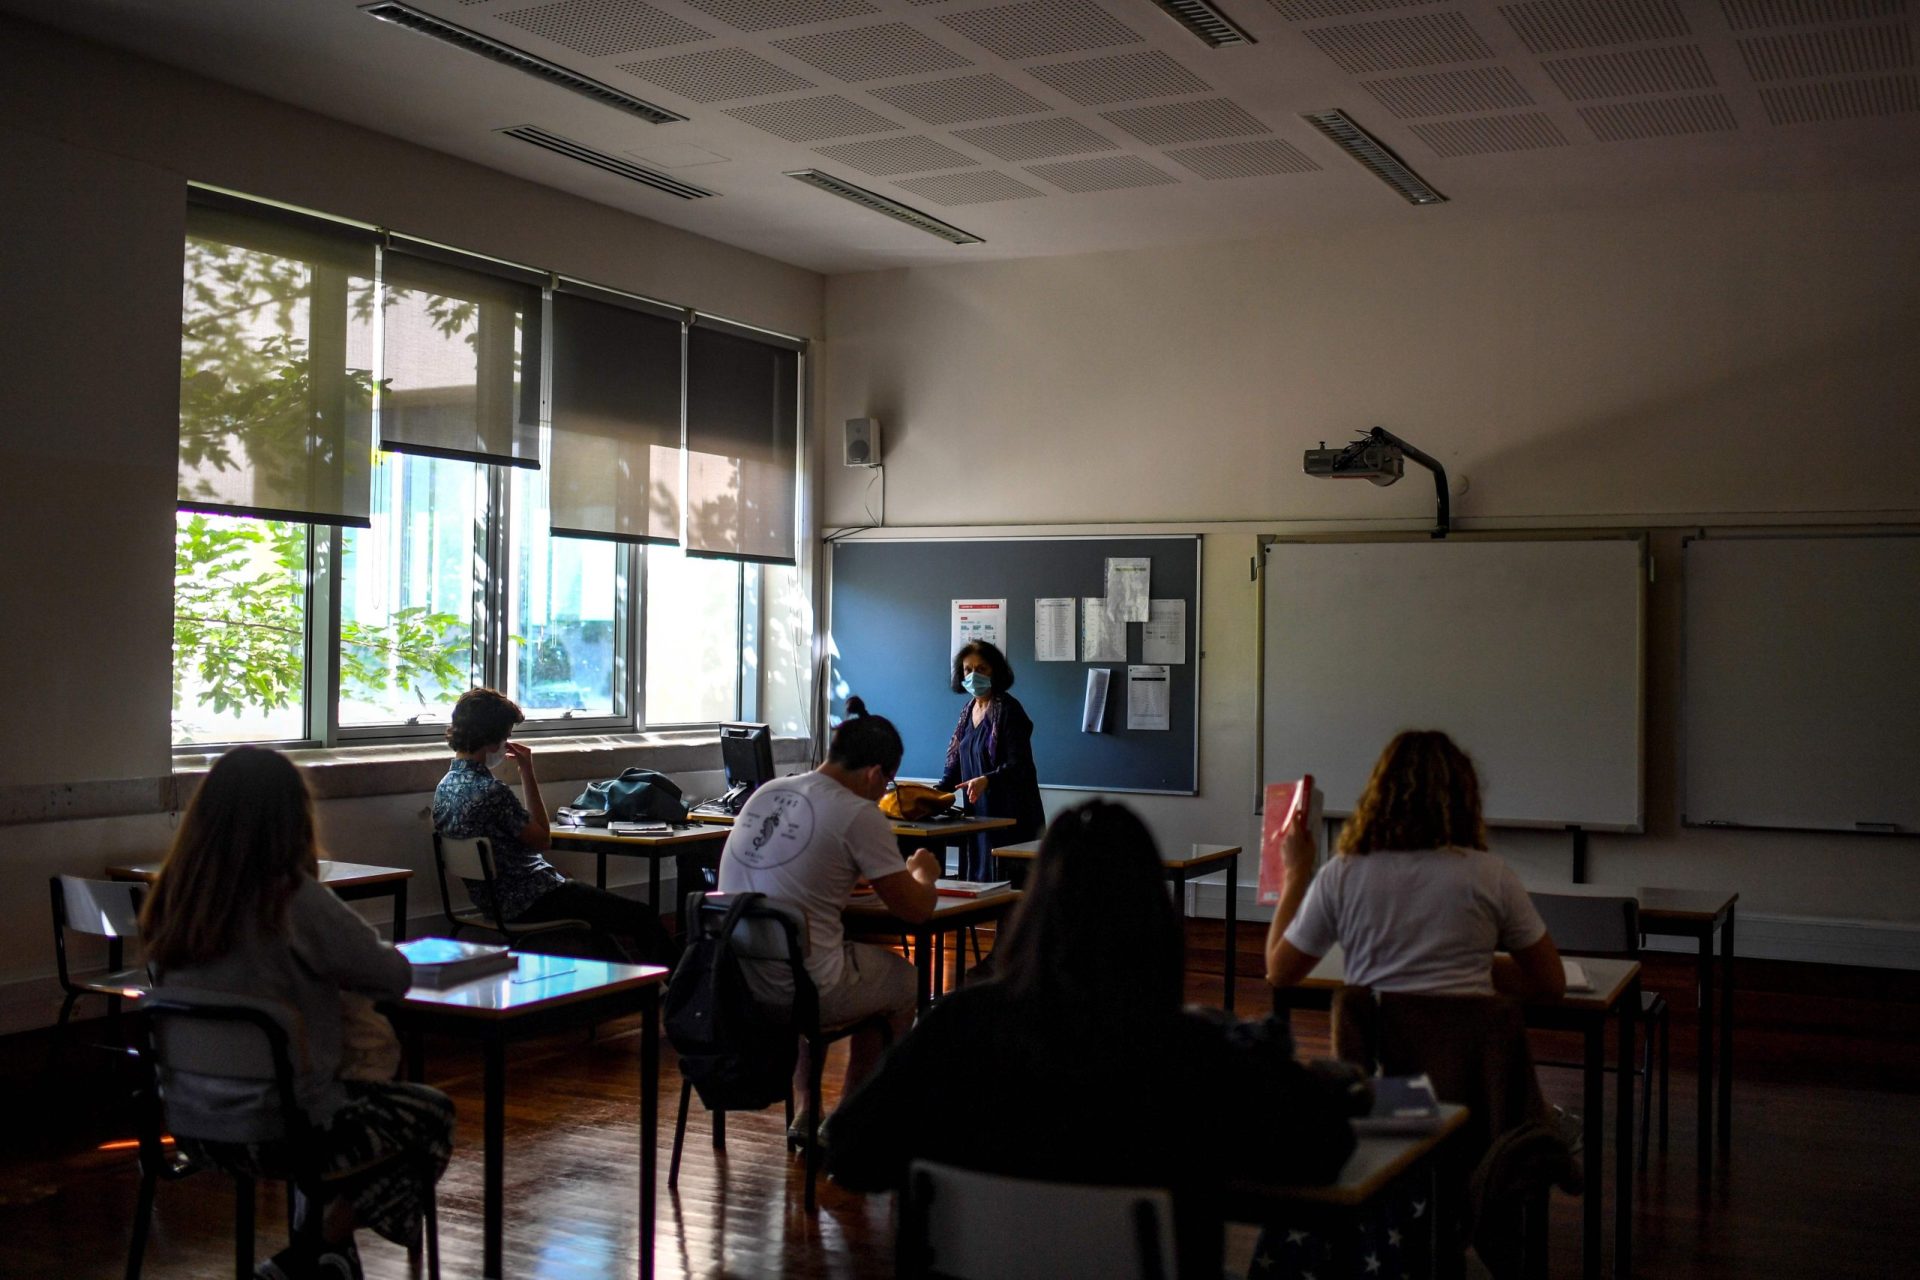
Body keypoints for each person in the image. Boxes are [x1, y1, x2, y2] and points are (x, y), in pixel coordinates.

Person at [829, 799, 1356, 1278]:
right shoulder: (1190, 1052)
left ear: (1032, 916)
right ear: (1156, 922)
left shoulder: (955, 1027)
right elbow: (1324, 1148)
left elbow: (852, 1152)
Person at [141, 747, 453, 1280]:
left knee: (340, 1103)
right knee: (429, 1116)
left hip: (192, 1127)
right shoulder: (292, 898)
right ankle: (312, 1249)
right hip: (285, 1130)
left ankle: (327, 1257)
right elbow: (391, 975)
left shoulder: (173, 899)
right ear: (292, 818)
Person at [717, 696, 940, 1136]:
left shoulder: (767, 792)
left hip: (735, 983)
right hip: (802, 989)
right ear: (876, 774)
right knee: (904, 981)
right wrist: (923, 873)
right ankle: (851, 1117)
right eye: (887, 786)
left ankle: (807, 1109)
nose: (883, 796)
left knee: (814, 955)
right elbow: (914, 910)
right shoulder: (859, 812)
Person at [1264, 729, 1564, 999]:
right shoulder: (1492, 876)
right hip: (1464, 1058)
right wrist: (1469, 963)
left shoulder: (1341, 875)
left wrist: (1295, 872)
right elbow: (1550, 983)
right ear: (1464, 798)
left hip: (1374, 1058)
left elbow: (1280, 973)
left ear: (1378, 794)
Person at [432, 687, 678, 965]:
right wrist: (528, 771)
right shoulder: (491, 791)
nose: (507, 742)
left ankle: (627, 988)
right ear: (492, 738)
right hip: (529, 901)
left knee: (595, 924)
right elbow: (542, 839)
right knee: (641, 916)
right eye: (507, 735)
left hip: (490, 902)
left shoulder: (444, 787)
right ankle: (678, 994)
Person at [936, 640, 1046, 881]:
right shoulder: (967, 711)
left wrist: (988, 780)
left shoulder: (1009, 710)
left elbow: (1020, 765)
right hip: (978, 816)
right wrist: (933, 795)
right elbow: (955, 764)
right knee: (977, 884)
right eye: (968, 669)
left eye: (982, 668)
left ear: (995, 671)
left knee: (1006, 887)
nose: (974, 675)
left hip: (1010, 816)